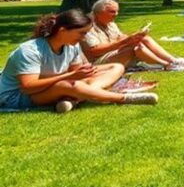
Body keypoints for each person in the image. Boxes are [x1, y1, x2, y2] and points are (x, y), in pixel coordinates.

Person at [0, 10, 158, 113]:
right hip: (16, 96)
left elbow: (79, 75)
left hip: (51, 87)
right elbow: (28, 87)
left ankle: (73, 100)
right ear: (62, 31)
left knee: (115, 67)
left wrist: (84, 72)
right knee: (68, 85)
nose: (83, 38)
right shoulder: (30, 51)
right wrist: (71, 75)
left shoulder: (71, 46)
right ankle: (121, 98)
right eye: (81, 33)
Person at [81, 0, 184, 71]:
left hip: (113, 54)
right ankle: (167, 64)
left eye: (117, 11)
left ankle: (173, 61)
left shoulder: (110, 23)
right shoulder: (88, 26)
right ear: (99, 12)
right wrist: (126, 42)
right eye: (112, 12)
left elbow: (120, 37)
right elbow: (94, 51)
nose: (116, 14)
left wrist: (135, 36)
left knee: (143, 39)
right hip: (98, 62)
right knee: (134, 48)